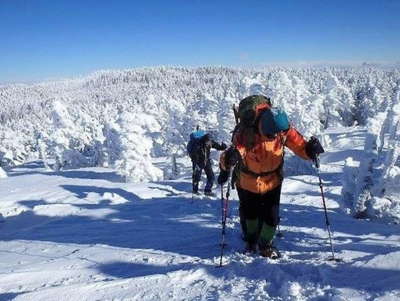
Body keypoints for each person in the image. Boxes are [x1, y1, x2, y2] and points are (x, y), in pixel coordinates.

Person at [218, 95, 324, 258]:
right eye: (270, 135)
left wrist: (310, 150)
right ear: (262, 127)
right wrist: (229, 159)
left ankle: (265, 245)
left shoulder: (281, 127)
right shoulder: (246, 131)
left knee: (271, 217)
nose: (274, 137)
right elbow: (233, 153)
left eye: (277, 134)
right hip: (248, 181)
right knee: (250, 215)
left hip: (273, 181)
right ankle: (251, 240)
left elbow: (299, 145)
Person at [187, 128, 227, 196]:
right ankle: (195, 191)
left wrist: (222, 147)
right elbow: (193, 154)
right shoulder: (197, 144)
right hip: (198, 162)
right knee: (196, 177)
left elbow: (216, 145)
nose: (209, 143)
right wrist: (195, 161)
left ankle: (207, 190)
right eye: (207, 142)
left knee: (211, 176)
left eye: (209, 141)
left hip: (206, 161)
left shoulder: (209, 141)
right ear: (204, 139)